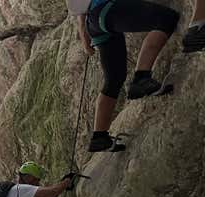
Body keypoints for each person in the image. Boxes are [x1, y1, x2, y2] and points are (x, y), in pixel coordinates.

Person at [68, 0, 179, 152]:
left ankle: (99, 137)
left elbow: (79, 14)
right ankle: (141, 78)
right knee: (166, 18)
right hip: (108, 10)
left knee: (114, 79)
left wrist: (85, 40)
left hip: (95, 22)